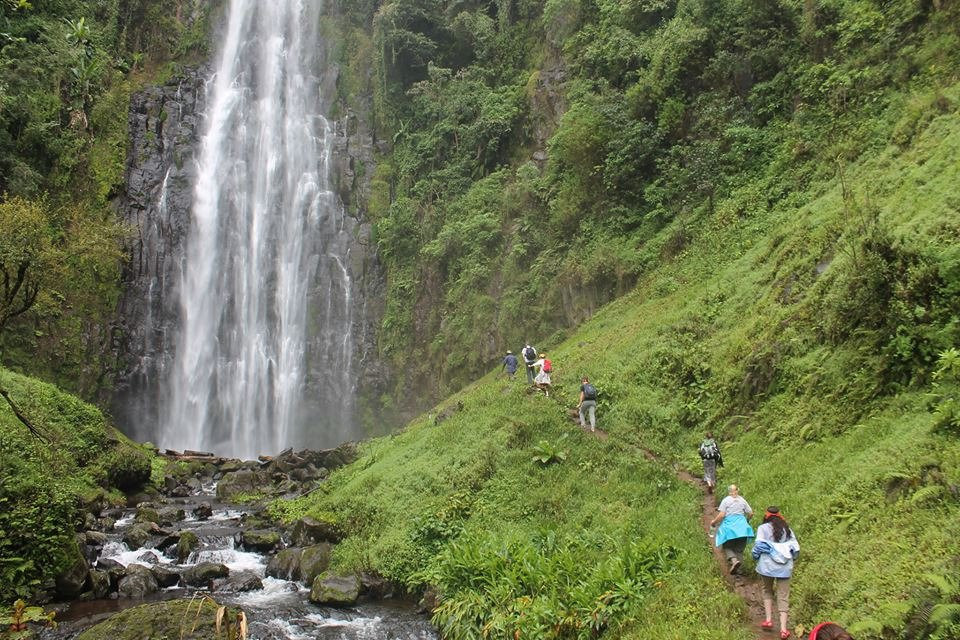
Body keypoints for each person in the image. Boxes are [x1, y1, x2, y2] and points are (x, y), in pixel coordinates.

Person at [752, 506, 800, 639]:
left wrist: (755, 557)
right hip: (784, 568)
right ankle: (784, 629)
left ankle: (768, 619)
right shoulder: (787, 529)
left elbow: (758, 546)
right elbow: (795, 549)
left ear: (766, 516)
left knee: (767, 590)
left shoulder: (763, 528)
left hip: (767, 566)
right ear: (779, 516)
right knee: (783, 596)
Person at [709, 484, 754, 574]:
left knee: (727, 546)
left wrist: (714, 522)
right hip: (743, 528)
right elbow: (751, 513)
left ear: (729, 491)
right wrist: (746, 521)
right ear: (738, 490)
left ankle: (734, 561)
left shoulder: (726, 500)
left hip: (730, 528)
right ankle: (739, 571)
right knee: (739, 550)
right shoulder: (742, 500)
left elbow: (721, 515)